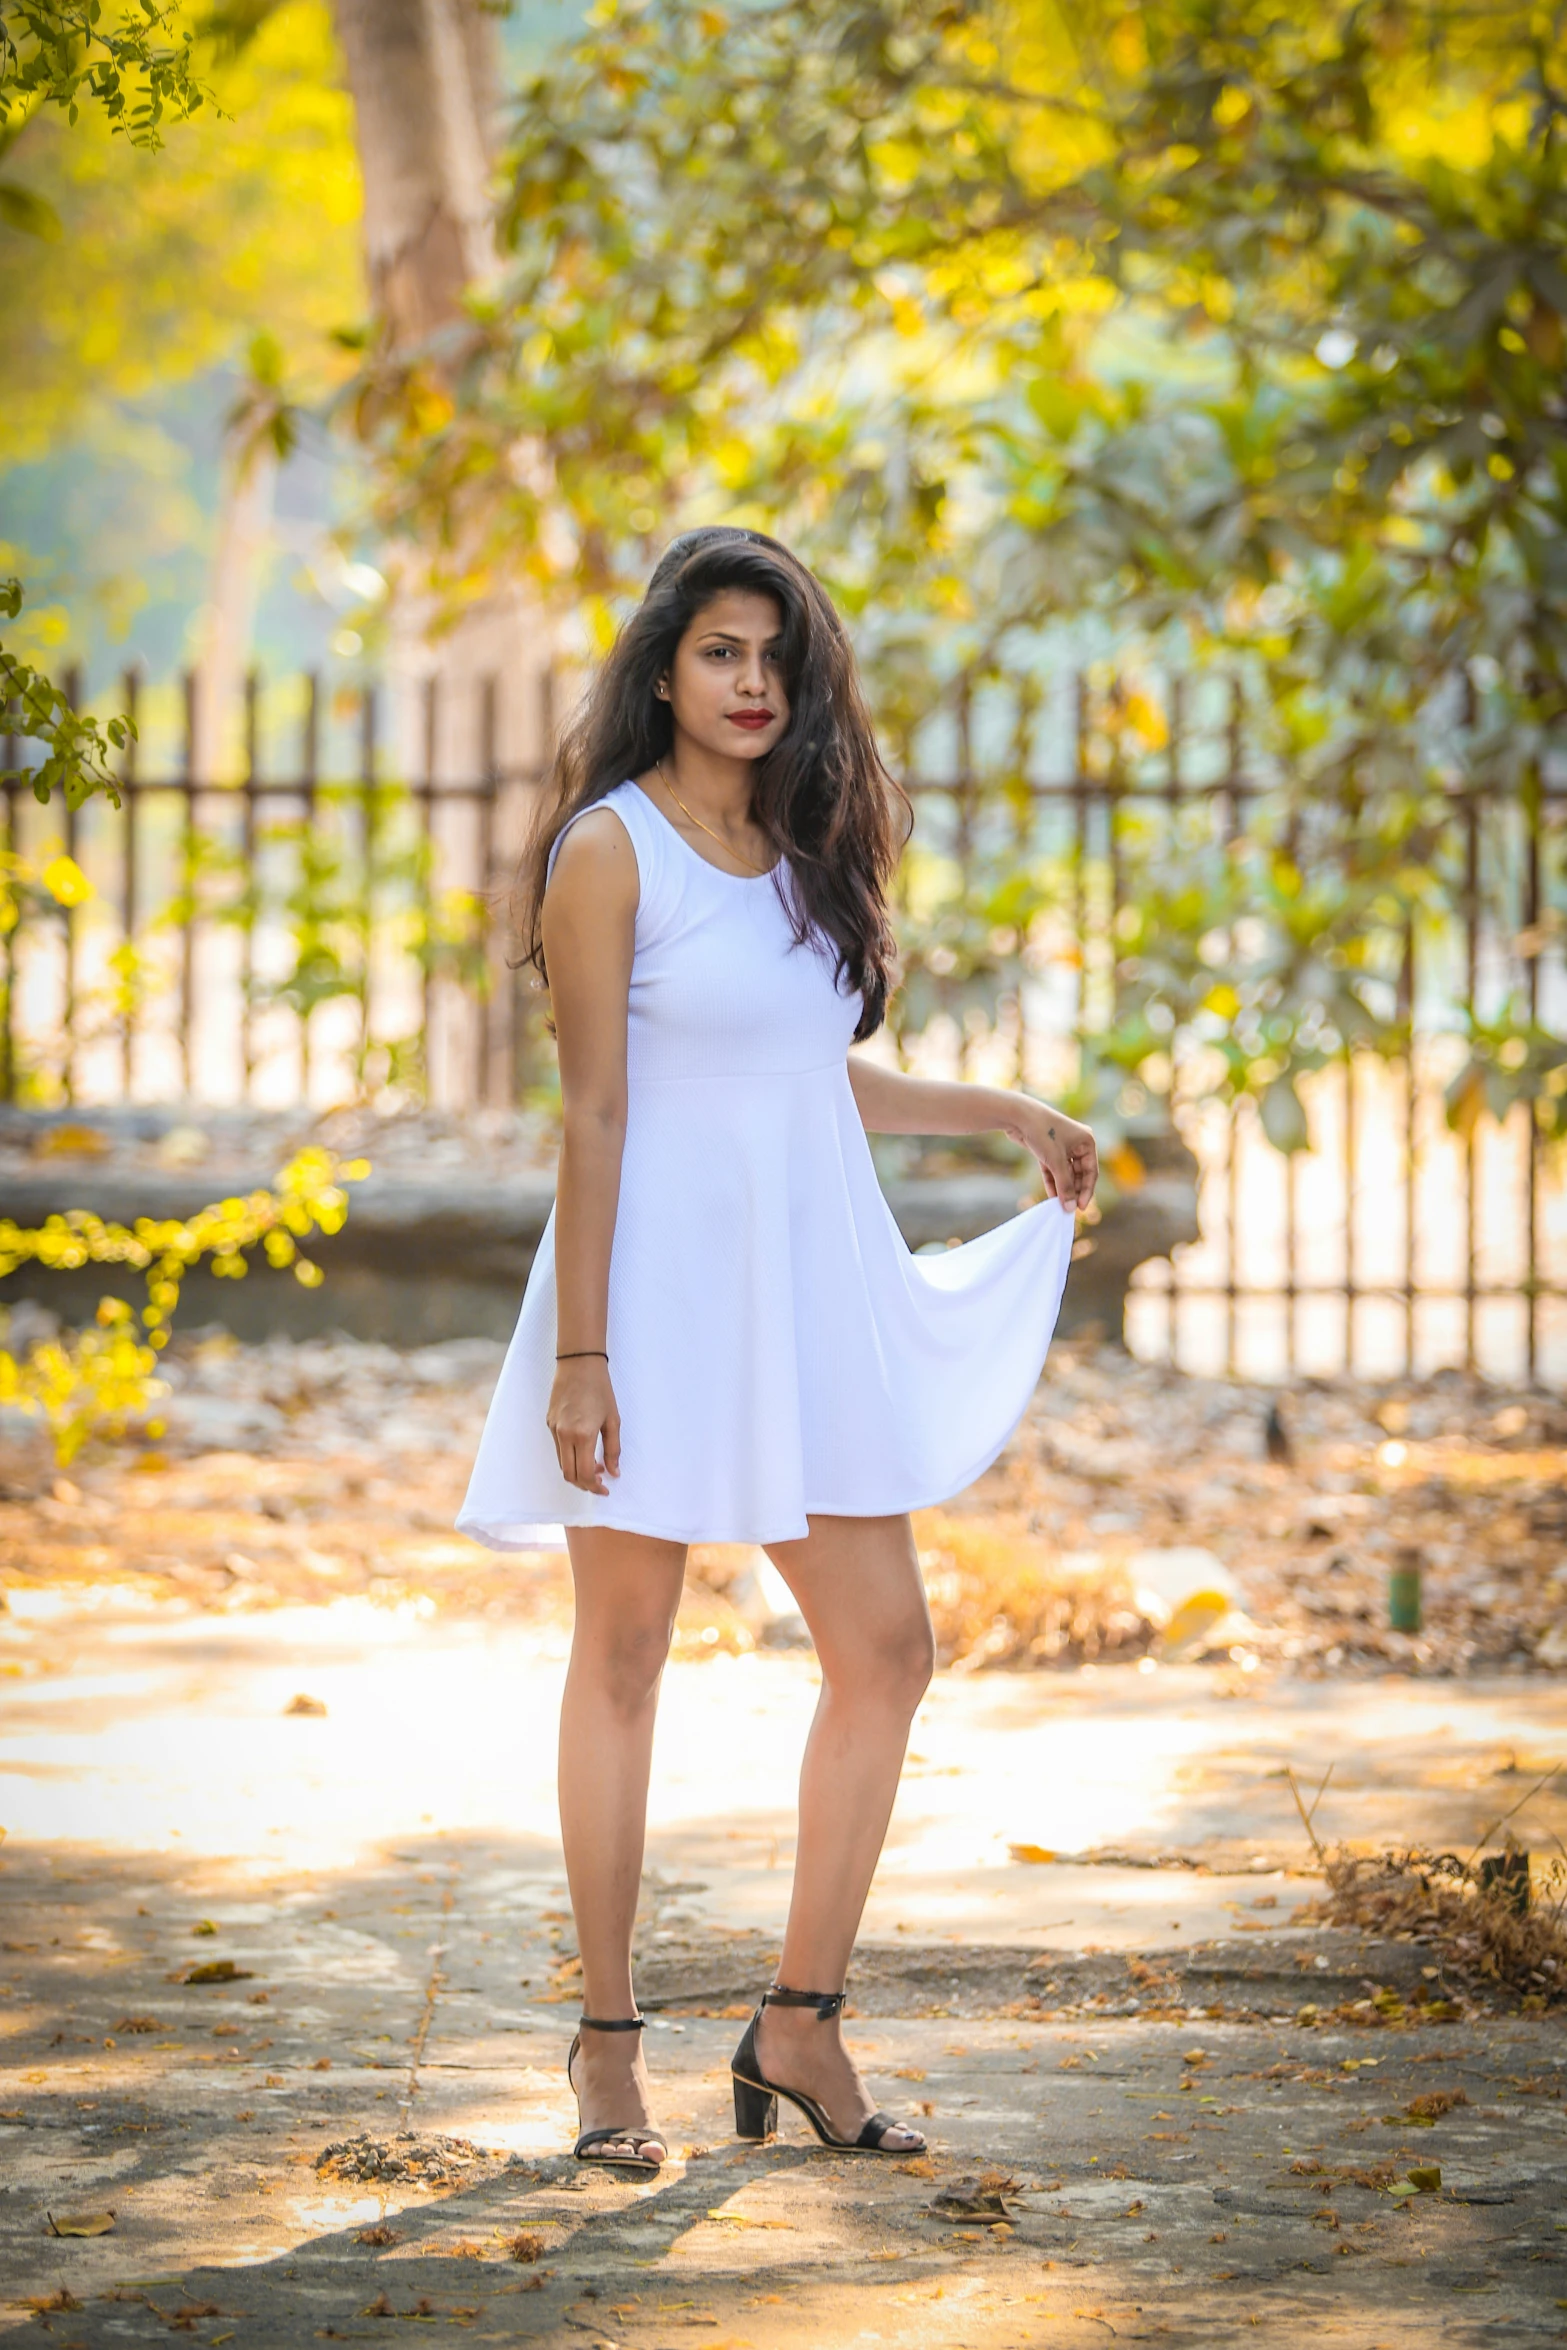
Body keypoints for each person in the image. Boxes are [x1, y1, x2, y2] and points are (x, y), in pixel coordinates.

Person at [458, 525, 1097, 2171]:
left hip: (797, 1297)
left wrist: (1004, 1111)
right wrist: (581, 1356)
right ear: (663, 666)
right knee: (624, 1649)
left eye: (776, 659)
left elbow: (815, 1077)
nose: (752, 685)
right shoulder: (608, 852)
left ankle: (799, 2017)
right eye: (723, 653)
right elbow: (596, 1109)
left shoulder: (803, 848)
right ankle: (608, 2050)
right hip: (653, 1293)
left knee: (886, 1649)